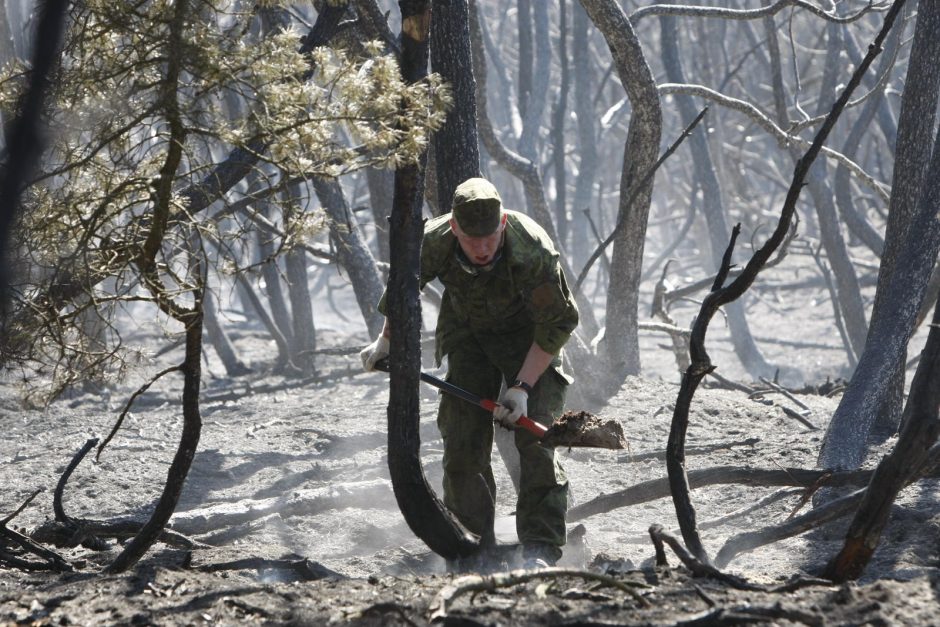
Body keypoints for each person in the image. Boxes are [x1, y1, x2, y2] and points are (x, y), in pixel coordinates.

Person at [360, 177, 579, 568]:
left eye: (490, 238)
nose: (482, 248)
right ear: (454, 228)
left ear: (503, 225)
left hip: (530, 338)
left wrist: (522, 387)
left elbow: (556, 325)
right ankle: (475, 544)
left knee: (537, 442)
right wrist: (386, 341)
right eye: (471, 239)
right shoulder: (434, 240)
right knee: (461, 441)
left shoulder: (531, 251)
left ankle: (541, 547)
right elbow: (403, 289)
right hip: (468, 334)